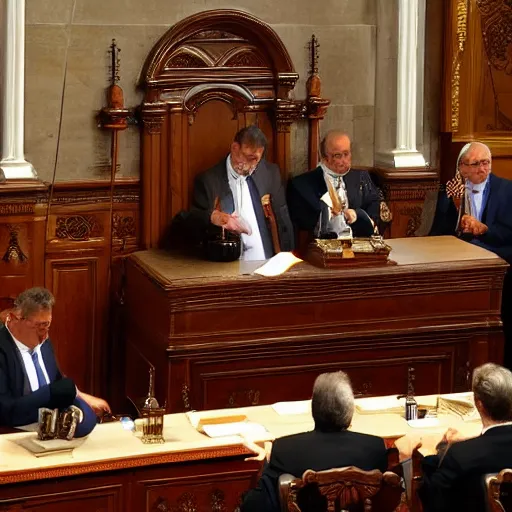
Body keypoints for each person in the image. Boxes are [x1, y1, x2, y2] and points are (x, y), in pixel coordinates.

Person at [240, 371, 388, 512]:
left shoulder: (285, 450)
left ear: (313, 408)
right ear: (350, 411)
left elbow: (255, 506)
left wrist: (263, 465)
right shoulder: (375, 448)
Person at [429, 142, 512, 368]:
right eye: (476, 164)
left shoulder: (507, 190)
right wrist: (454, 207)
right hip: (462, 262)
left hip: (497, 259)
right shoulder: (451, 191)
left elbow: (508, 234)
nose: (483, 168)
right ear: (462, 168)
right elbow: (439, 233)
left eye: (486, 162)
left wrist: (484, 229)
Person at [0, 287, 111, 436]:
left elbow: (58, 381)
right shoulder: (2, 350)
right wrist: (53, 393)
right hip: (18, 429)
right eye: (40, 327)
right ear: (15, 318)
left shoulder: (43, 343)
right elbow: (6, 410)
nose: (45, 335)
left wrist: (82, 397)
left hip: (53, 422)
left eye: (48, 325)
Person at [182, 125, 294, 260]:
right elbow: (195, 225)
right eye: (249, 158)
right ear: (235, 148)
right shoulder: (209, 181)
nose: (252, 165)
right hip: (229, 268)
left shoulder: (270, 173)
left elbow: (283, 220)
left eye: (257, 160)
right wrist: (214, 218)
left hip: (267, 265)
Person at [287, 131, 382, 241]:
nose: (344, 160)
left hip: (359, 245)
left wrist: (357, 215)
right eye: (338, 155)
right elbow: (303, 223)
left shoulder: (361, 178)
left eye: (346, 154)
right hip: (322, 250)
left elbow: (374, 210)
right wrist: (328, 214)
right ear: (324, 157)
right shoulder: (302, 185)